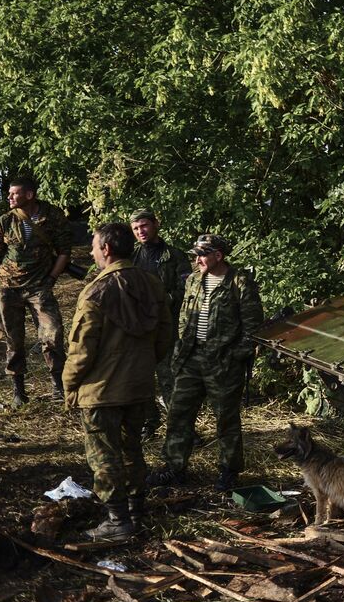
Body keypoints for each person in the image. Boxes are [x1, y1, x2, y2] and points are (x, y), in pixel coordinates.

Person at [63, 222, 171, 540]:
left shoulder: (95, 291)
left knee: (104, 455)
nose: (93, 252)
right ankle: (136, 513)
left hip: (101, 392)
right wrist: (143, 366)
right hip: (139, 387)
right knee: (132, 449)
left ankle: (117, 521)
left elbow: (81, 350)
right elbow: (165, 336)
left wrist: (70, 385)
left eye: (95, 247)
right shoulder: (152, 284)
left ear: (107, 249)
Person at [149, 233, 263, 492]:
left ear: (218, 256)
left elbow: (253, 327)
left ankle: (228, 471)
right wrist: (181, 345)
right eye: (196, 255)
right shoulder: (193, 281)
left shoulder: (240, 282)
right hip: (191, 357)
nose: (197, 260)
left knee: (225, 419)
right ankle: (174, 468)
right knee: (178, 413)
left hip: (222, 362)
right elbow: (182, 317)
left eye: (202, 255)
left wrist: (235, 356)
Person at [0, 176, 71, 407]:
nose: (9, 197)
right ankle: (19, 391)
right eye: (9, 193)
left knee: (53, 335)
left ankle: (58, 386)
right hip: (8, 290)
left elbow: (64, 252)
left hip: (40, 288)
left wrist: (51, 279)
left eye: (14, 193)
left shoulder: (53, 216)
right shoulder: (4, 222)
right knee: (13, 340)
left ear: (29, 195)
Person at [129, 209, 186, 439]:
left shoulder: (174, 255)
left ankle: (180, 427)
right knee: (141, 378)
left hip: (166, 326)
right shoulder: (131, 257)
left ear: (155, 225)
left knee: (169, 377)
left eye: (144, 226)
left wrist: (163, 303)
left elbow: (185, 289)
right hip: (138, 327)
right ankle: (149, 421)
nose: (140, 231)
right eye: (135, 228)